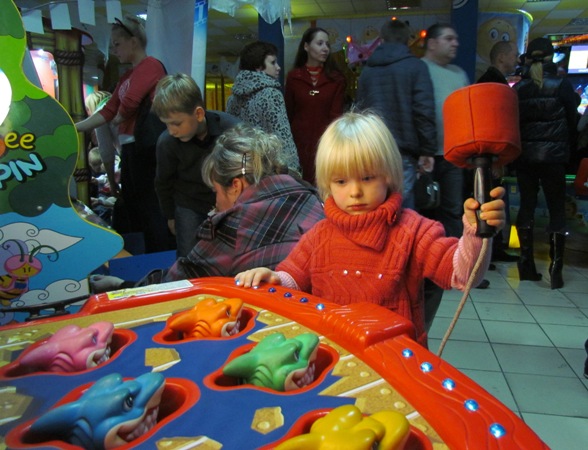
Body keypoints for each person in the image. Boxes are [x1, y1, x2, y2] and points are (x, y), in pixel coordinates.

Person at [234, 112, 506, 347]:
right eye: (341, 181)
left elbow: (462, 274)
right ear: (327, 184)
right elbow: (294, 278)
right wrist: (274, 279)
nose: (355, 191)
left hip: (396, 363)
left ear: (388, 175)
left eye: (367, 177)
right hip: (333, 357)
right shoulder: (319, 236)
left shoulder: (413, 231)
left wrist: (475, 231)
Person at [90, 124, 325, 292]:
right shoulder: (311, 198)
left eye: (216, 191)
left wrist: (121, 286)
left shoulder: (234, 224)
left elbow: (179, 283)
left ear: (236, 186)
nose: (216, 204)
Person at [76, 16, 172, 254]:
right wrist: (78, 127)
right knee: (138, 207)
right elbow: (109, 109)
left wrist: (118, 118)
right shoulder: (128, 75)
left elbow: (128, 103)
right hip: (133, 147)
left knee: (150, 208)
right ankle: (148, 257)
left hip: (146, 147)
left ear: (133, 41)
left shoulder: (150, 65)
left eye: (117, 44)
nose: (114, 50)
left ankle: (157, 257)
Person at [152, 73, 242, 258]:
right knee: (189, 256)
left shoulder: (232, 131)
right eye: (166, 125)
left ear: (199, 114)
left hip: (230, 203)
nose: (172, 131)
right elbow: (163, 182)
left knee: (234, 255)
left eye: (176, 123)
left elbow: (246, 173)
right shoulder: (166, 142)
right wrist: (170, 216)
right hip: (189, 204)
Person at [513, 37, 578, 289]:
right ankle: (556, 269)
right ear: (552, 57)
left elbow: (514, 123)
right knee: (556, 210)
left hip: (526, 157)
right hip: (554, 158)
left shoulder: (519, 89)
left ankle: (526, 264)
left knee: (526, 206)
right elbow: (572, 122)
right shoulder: (562, 85)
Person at [356, 19, 436, 209]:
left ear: (382, 40)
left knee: (375, 209)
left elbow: (359, 113)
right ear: (408, 40)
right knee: (402, 212)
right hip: (403, 152)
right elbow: (423, 111)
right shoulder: (416, 67)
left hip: (372, 151)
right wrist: (427, 150)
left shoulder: (367, 71)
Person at [421, 23, 470, 238]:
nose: (455, 43)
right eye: (449, 39)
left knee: (452, 211)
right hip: (424, 155)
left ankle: (452, 258)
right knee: (423, 210)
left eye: (455, 39)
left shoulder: (459, 74)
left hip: (453, 156)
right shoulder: (418, 69)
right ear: (432, 43)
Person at [475, 40, 520, 265]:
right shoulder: (495, 84)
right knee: (489, 200)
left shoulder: (487, 81)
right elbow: (492, 124)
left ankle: (492, 249)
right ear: (501, 57)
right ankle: (489, 250)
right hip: (490, 154)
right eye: (514, 55)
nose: (518, 59)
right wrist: (496, 158)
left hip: (487, 154)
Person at [227, 41, 301, 175]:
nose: (278, 67)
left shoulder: (232, 99)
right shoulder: (271, 94)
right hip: (270, 169)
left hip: (242, 168)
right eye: (273, 63)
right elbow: (283, 136)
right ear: (258, 67)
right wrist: (293, 170)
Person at [285, 27, 346, 184]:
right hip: (298, 145)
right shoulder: (294, 77)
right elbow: (288, 114)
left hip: (326, 143)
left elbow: (336, 116)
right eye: (320, 43)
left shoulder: (336, 79)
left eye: (327, 44)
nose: (325, 48)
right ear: (306, 46)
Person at [83, 91, 120, 197]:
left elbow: (106, 152)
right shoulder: (119, 104)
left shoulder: (100, 113)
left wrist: (112, 184)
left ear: (89, 108)